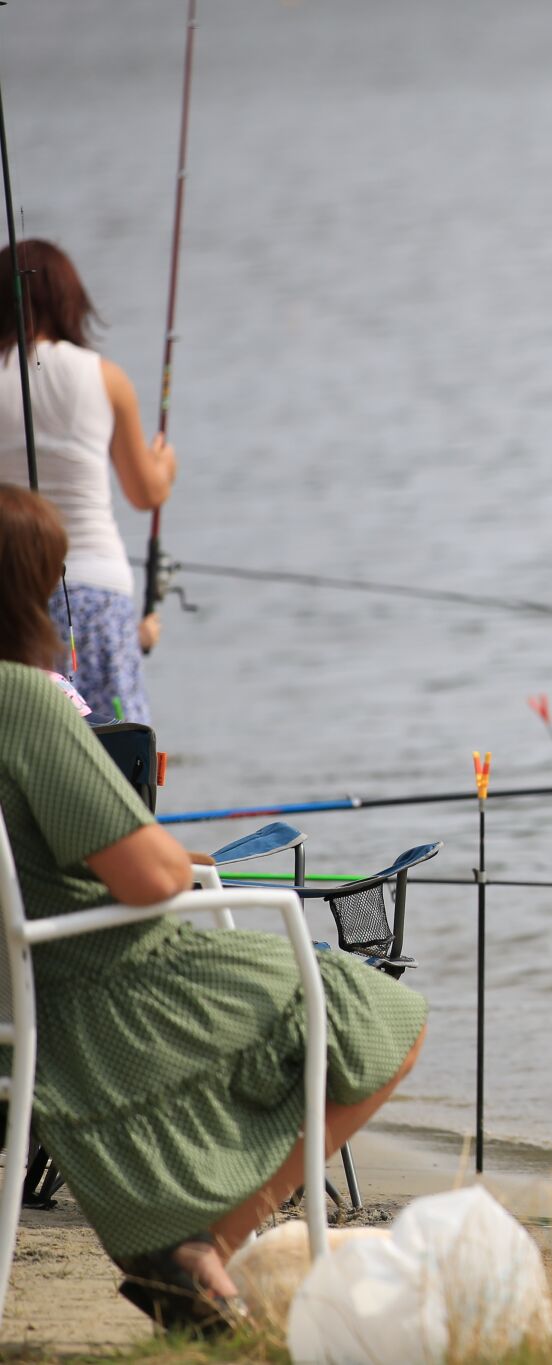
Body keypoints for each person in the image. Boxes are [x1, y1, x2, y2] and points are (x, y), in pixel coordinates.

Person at [0, 485, 427, 1329]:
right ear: (34, 590)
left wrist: (152, 845)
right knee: (382, 1013)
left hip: (25, 980)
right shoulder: (28, 699)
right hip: (100, 977)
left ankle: (190, 1242)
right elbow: (149, 879)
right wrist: (168, 849)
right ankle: (203, 1247)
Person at [0, 239, 178, 724]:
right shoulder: (105, 377)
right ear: (68, 301)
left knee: (25, 737)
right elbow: (146, 492)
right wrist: (165, 465)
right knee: (117, 744)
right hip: (96, 585)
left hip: (11, 590)